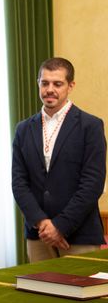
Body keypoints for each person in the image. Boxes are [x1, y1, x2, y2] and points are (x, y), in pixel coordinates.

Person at [12, 57, 106, 263]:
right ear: (38, 84)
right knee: (38, 294)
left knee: (82, 294)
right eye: (44, 83)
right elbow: (19, 183)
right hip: (38, 235)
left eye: (57, 83)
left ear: (70, 86)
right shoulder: (23, 129)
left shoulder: (90, 126)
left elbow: (92, 184)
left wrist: (60, 226)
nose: (50, 89)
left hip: (79, 235)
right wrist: (42, 223)